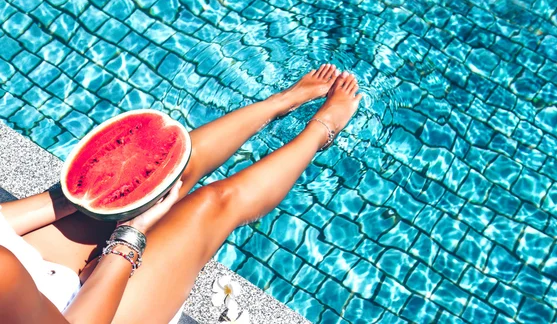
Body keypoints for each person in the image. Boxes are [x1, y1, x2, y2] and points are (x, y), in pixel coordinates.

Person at [0, 64, 362, 323]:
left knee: (165, 172)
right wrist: (130, 237)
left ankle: (282, 101)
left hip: (25, 272)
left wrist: (72, 199)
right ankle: (322, 129)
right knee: (211, 206)